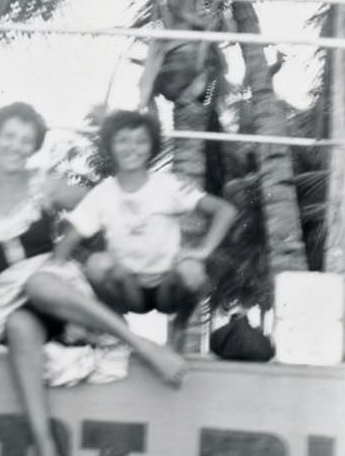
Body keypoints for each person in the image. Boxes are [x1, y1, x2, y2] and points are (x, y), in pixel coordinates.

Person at [0, 102, 188, 456]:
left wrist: (139, 245)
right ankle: (45, 448)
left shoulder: (46, 186)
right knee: (20, 328)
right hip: (7, 295)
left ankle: (143, 346)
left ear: (34, 144)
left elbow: (111, 202)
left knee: (38, 282)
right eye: (9, 136)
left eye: (25, 138)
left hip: (55, 282)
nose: (16, 145)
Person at [52, 109, 237, 351]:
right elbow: (72, 236)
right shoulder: (103, 193)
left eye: (141, 141)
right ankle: (116, 327)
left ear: (152, 147)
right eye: (123, 141)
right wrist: (53, 274)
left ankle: (179, 328)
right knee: (98, 262)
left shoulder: (168, 185)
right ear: (110, 146)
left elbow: (225, 210)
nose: (132, 148)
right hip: (128, 289)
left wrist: (204, 250)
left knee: (192, 269)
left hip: (166, 288)